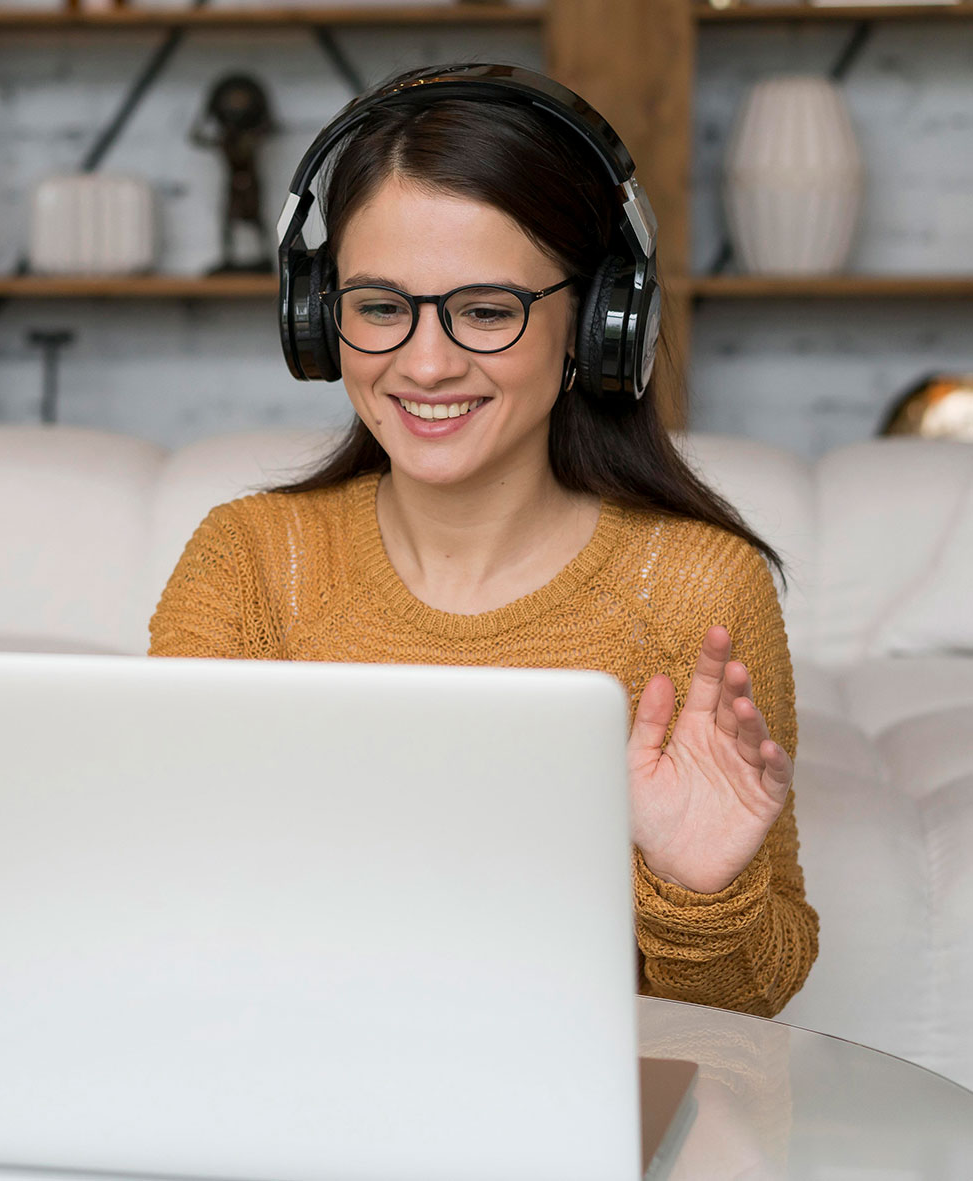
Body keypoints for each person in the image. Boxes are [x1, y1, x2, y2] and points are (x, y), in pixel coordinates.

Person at [148, 62, 819, 1017]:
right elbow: (168, 913)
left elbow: (753, 1006)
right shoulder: (252, 560)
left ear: (597, 323)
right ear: (316, 318)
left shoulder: (697, 587)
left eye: (486, 311)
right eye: (380, 306)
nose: (425, 364)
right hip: (291, 1083)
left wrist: (698, 889)